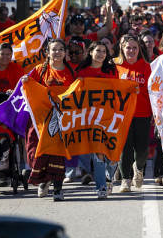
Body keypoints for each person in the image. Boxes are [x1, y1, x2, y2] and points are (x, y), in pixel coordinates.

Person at [26, 39, 77, 201]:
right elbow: (27, 87)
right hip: (40, 120)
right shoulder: (39, 70)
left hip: (61, 120)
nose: (58, 52)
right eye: (54, 49)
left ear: (65, 52)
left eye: (61, 49)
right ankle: (43, 180)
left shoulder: (72, 72)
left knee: (57, 154)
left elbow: (77, 93)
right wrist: (24, 82)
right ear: (47, 53)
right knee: (36, 152)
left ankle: (58, 189)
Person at [76, 41, 119, 199]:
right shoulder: (82, 71)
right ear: (91, 52)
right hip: (90, 117)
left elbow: (118, 90)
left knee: (113, 154)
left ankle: (109, 176)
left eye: (104, 51)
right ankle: (101, 186)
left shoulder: (111, 70)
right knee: (99, 151)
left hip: (110, 115)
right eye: (98, 51)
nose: (101, 54)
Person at [115, 35, 152, 193]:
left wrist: (154, 114)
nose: (131, 50)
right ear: (122, 49)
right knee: (125, 148)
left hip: (142, 113)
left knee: (142, 150)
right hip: (122, 115)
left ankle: (139, 167)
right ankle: (126, 179)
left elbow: (153, 92)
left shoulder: (147, 67)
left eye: (134, 47)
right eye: (128, 47)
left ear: (139, 49)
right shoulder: (115, 66)